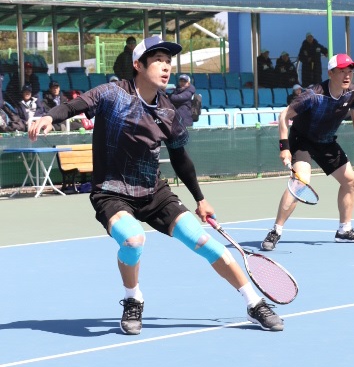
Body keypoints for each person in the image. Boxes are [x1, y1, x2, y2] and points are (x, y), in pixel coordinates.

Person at [29, 35, 284, 334]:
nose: (166, 67)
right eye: (158, 61)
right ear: (138, 65)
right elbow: (75, 106)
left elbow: (180, 158)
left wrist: (200, 199)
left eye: (168, 62)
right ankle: (132, 297)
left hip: (153, 191)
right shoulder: (112, 93)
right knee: (133, 240)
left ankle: (254, 303)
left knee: (204, 242)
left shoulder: (168, 112)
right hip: (112, 191)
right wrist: (49, 116)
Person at [262, 53, 354, 251]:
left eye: (350, 71)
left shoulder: (353, 93)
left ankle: (344, 230)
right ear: (330, 73)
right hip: (302, 141)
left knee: (350, 181)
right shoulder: (313, 95)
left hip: (326, 142)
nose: (347, 75)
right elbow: (283, 115)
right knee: (300, 183)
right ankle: (275, 232)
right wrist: (284, 148)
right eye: (342, 71)